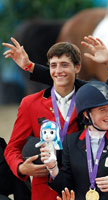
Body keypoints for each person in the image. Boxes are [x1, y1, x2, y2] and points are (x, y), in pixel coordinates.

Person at [2, 40, 85, 200]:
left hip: (80, 187)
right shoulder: (30, 103)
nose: (58, 70)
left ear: (78, 67)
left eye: (64, 65)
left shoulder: (89, 100)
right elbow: (12, 148)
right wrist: (21, 168)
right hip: (44, 191)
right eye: (53, 65)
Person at [41, 81, 108, 199]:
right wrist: (53, 168)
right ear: (87, 114)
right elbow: (66, 188)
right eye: (102, 109)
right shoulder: (71, 142)